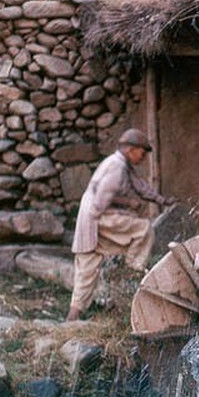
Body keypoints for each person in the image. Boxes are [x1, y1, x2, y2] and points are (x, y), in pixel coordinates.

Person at [66, 128, 176, 322]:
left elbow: (141, 187)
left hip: (91, 219)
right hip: (95, 215)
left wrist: (161, 200)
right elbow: (101, 199)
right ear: (131, 150)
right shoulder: (116, 167)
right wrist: (127, 204)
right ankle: (132, 270)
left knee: (87, 267)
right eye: (141, 153)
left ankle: (73, 317)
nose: (142, 158)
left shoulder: (122, 165)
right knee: (143, 229)